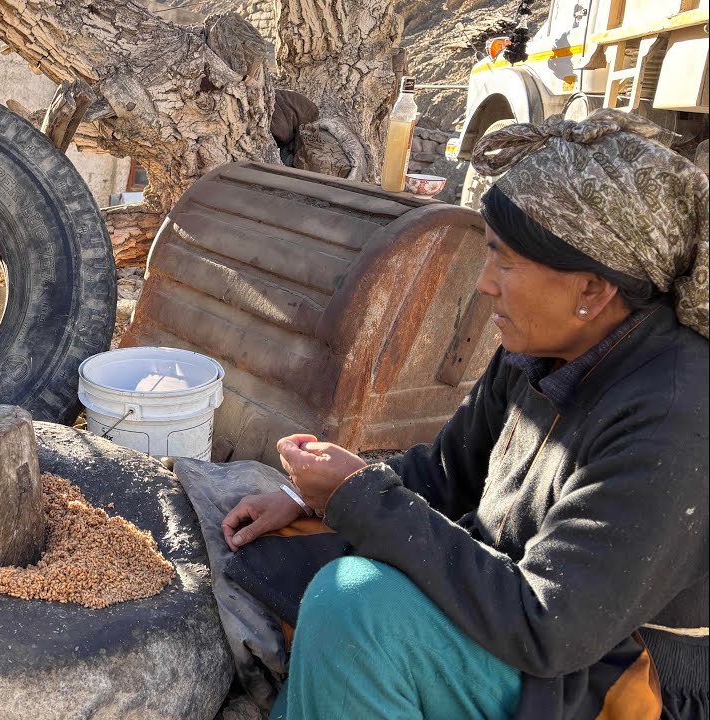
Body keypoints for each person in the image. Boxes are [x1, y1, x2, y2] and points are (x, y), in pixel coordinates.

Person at [222, 109, 708, 719]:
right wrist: (311, 498)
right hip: (522, 612)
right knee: (293, 554)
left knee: (356, 609)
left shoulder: (674, 418)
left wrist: (359, 500)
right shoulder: (544, 348)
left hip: (608, 672)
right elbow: (447, 471)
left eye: (503, 262)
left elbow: (551, 628)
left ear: (592, 289)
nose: (483, 284)